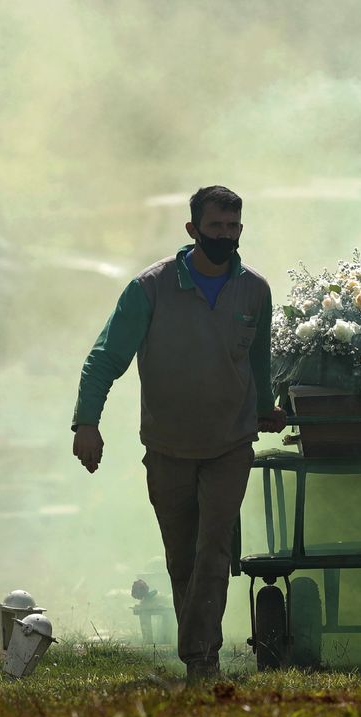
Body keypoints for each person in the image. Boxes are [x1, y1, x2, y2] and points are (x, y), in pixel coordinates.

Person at [71, 185, 286, 680]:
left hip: (230, 443)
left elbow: (257, 359)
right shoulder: (150, 289)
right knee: (182, 555)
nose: (226, 237)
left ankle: (200, 658)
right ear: (192, 231)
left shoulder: (254, 290)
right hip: (167, 446)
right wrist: (87, 422)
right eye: (216, 228)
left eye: (233, 228)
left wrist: (264, 407)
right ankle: (200, 650)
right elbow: (105, 358)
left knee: (214, 547)